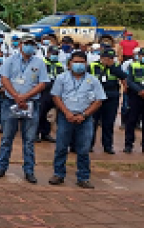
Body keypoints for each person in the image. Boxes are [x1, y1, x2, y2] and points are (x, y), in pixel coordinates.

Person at [0, 35, 50, 184]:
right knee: (7, 138)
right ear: (20, 45)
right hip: (11, 102)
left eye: (32, 44)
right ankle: (1, 167)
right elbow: (4, 79)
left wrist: (25, 97)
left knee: (29, 140)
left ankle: (29, 171)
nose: (29, 47)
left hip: (31, 103)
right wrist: (16, 96)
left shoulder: (39, 62)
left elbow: (42, 84)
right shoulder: (10, 60)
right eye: (26, 44)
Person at [49, 51, 106, 189]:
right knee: (61, 147)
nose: (78, 65)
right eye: (76, 62)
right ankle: (58, 174)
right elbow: (56, 96)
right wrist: (67, 113)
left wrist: (84, 115)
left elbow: (99, 100)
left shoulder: (93, 80)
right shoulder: (61, 78)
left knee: (84, 149)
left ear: (86, 64)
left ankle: (83, 177)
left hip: (85, 119)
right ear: (69, 64)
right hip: (65, 117)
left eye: (81, 62)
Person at [89, 48, 127, 154]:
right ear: (101, 57)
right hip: (95, 98)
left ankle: (108, 146)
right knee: (93, 122)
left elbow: (123, 77)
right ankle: (89, 145)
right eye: (107, 58)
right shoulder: (93, 66)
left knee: (108, 123)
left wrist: (111, 67)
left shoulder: (116, 66)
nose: (109, 60)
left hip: (111, 98)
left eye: (111, 58)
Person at [37, 47, 65, 143]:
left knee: (49, 115)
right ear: (48, 53)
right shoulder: (42, 63)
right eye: (53, 53)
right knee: (40, 113)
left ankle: (45, 133)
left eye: (56, 54)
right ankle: (36, 133)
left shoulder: (59, 65)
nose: (54, 55)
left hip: (55, 91)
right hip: (43, 91)